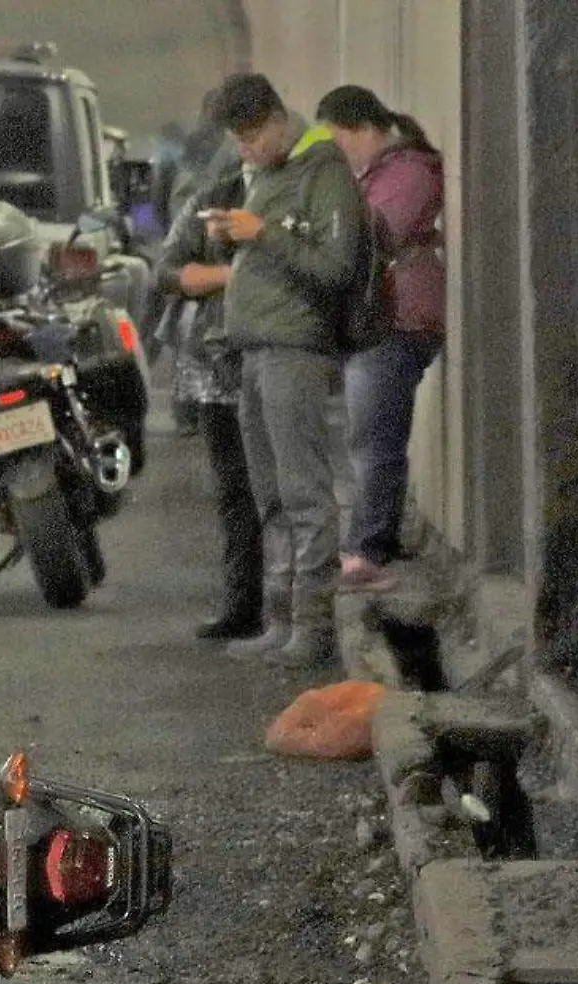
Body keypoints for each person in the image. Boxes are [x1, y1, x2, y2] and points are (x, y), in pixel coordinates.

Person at [203, 73, 366, 669]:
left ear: (275, 119)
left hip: (294, 352)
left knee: (303, 492)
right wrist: (233, 236)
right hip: (255, 353)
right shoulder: (270, 173)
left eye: (249, 137)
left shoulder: (321, 170)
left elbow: (336, 266)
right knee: (268, 492)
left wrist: (262, 233)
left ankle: (313, 626)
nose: (243, 150)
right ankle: (279, 616)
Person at [315, 85, 446, 593]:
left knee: (373, 437)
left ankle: (367, 547)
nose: (337, 154)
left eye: (339, 141)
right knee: (373, 433)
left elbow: (373, 233)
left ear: (364, 130)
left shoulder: (408, 171)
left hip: (398, 318)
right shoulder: (380, 173)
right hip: (382, 319)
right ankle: (375, 538)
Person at [158, 153, 269, 641]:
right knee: (233, 490)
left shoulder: (295, 193)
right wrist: (226, 274)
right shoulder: (212, 198)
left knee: (279, 487)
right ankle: (242, 605)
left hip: (274, 357)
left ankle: (286, 607)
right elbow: (169, 270)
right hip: (214, 366)